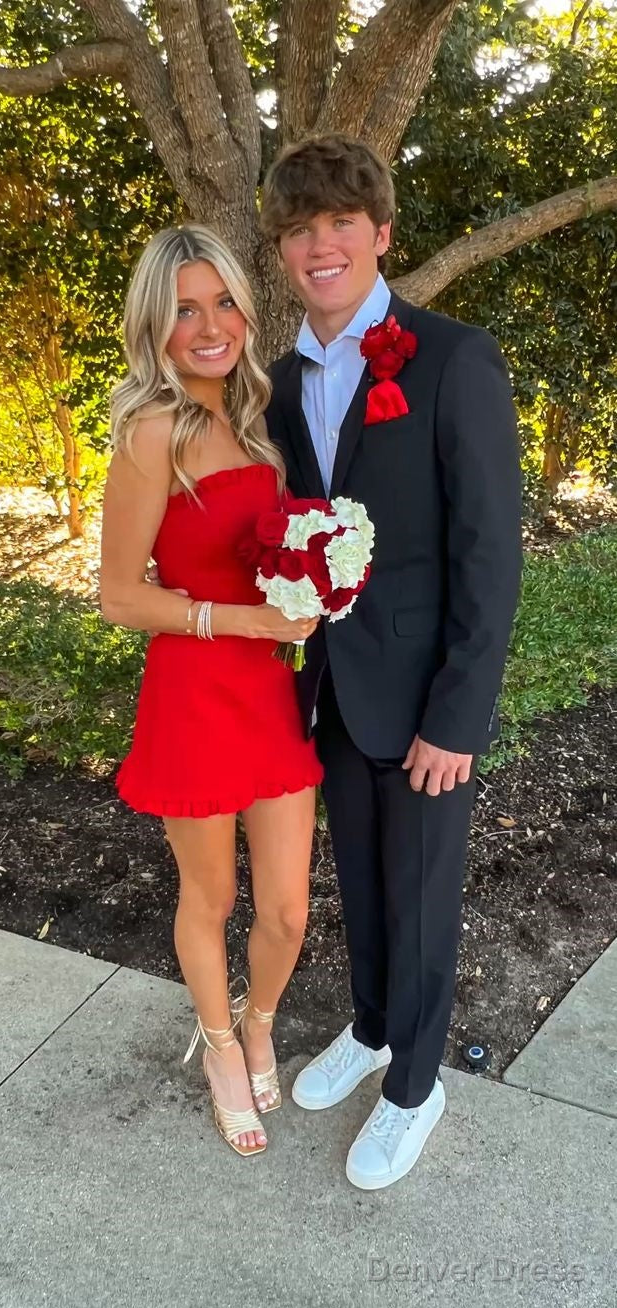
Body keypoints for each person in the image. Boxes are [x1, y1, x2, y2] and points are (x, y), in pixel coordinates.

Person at [260, 134, 523, 1189]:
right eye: (300, 228)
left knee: (419, 897)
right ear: (283, 250)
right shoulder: (281, 382)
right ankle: (371, 1030)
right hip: (331, 685)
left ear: (381, 234)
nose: (320, 244)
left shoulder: (452, 358)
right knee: (362, 883)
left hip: (422, 698)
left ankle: (416, 1085)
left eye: (340, 223)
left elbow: (489, 552)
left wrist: (458, 716)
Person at [100, 224, 323, 1158]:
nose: (210, 326)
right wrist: (244, 621)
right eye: (184, 310)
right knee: (213, 896)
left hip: (269, 693)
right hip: (195, 692)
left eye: (224, 302)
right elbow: (119, 596)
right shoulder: (152, 431)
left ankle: (259, 1019)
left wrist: (310, 594)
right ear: (154, 326)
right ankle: (221, 1046)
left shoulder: (261, 420)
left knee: (288, 908)